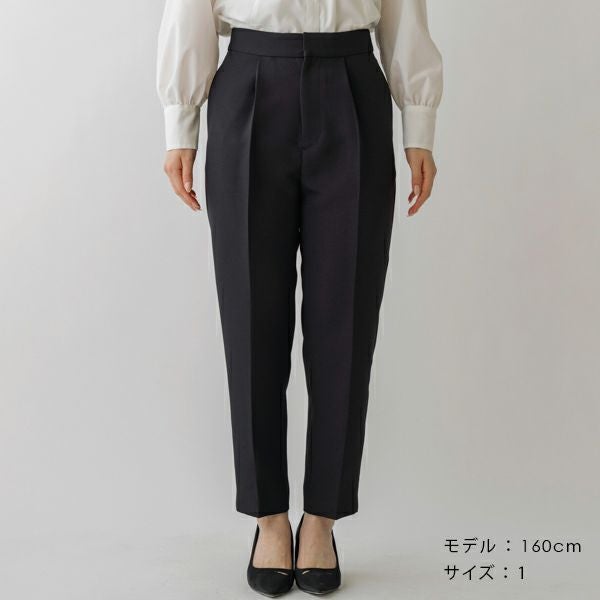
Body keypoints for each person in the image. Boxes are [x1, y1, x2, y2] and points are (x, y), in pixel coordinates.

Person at [156, 1, 442, 595]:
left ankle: (322, 519)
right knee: (251, 320)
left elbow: (403, 11)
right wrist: (181, 121)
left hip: (353, 82)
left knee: (346, 320)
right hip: (249, 79)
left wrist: (418, 120)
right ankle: (268, 518)